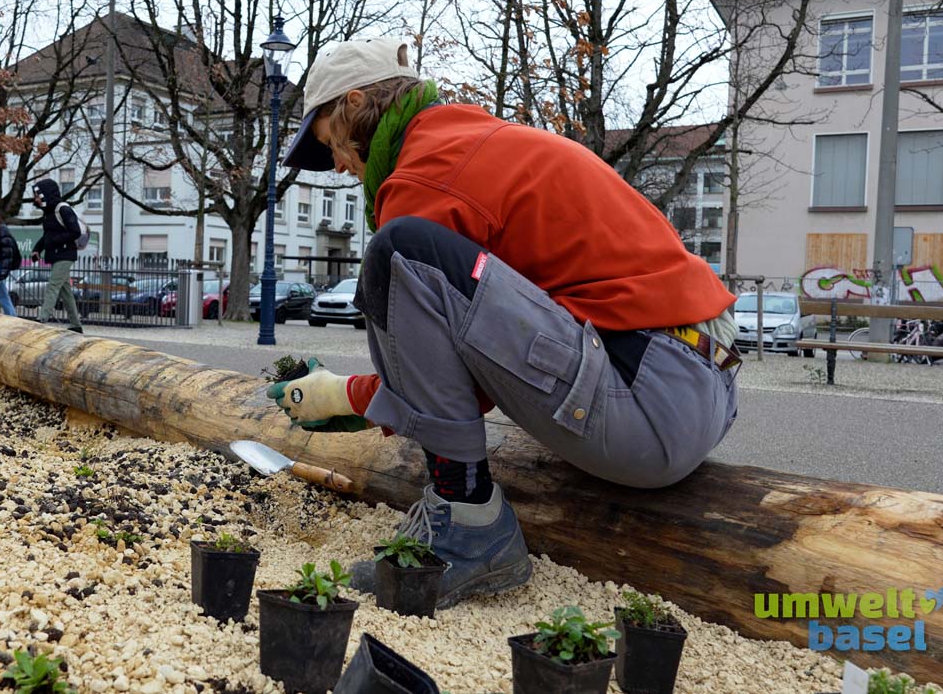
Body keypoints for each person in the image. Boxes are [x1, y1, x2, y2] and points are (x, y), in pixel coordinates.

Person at [266, 37, 740, 609]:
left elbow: (455, 388)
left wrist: (344, 396)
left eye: (331, 146)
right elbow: (486, 359)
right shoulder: (470, 142)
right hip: (695, 382)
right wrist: (361, 398)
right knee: (412, 253)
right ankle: (467, 517)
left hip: (648, 403)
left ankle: (469, 526)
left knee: (399, 252)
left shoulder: (422, 178)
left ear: (357, 105)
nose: (339, 167)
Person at [30, 179, 84, 333]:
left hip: (66, 254)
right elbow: (47, 235)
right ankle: (75, 324)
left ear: (45, 194)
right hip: (56, 254)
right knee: (64, 290)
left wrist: (53, 242)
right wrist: (37, 249)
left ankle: (42, 319)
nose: (36, 199)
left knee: (53, 285)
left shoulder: (63, 209)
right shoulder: (48, 213)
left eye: (37, 195)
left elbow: (75, 232)